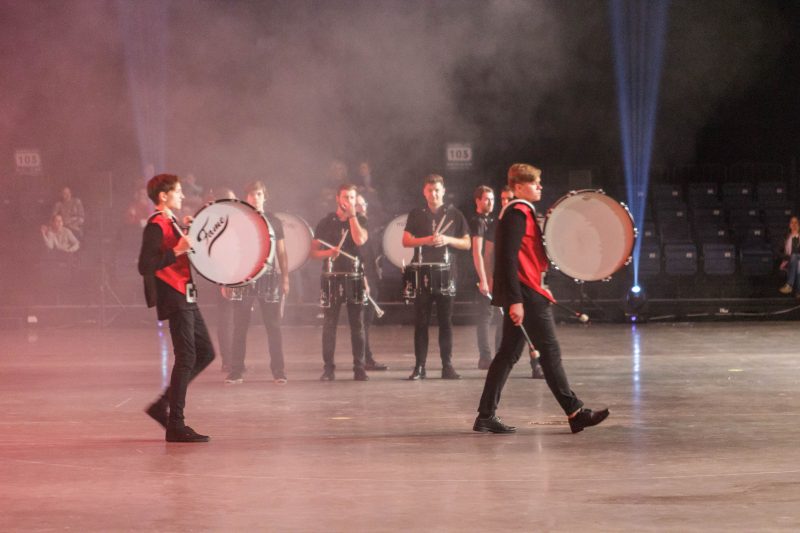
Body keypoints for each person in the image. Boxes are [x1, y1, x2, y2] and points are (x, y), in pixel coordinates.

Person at [474, 163, 609, 435]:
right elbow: (507, 259)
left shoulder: (522, 212)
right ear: (519, 187)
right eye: (534, 183)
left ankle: (485, 416)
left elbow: (526, 257)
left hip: (528, 291)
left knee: (507, 355)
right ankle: (575, 413)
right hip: (525, 295)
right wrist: (515, 300)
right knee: (550, 353)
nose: (540, 187)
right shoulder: (516, 213)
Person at [138, 174, 215, 443]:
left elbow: (181, 248)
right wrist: (178, 250)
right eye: (178, 191)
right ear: (163, 196)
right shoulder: (156, 224)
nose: (183, 195)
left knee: (205, 353)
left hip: (185, 294)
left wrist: (190, 231)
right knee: (187, 357)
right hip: (174, 295)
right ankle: (175, 425)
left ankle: (163, 405)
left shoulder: (171, 221)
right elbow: (145, 265)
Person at [402, 174, 470, 380]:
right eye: (430, 190)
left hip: (446, 272)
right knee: (421, 321)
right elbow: (406, 241)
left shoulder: (454, 214)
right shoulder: (416, 214)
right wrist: (427, 240)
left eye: (437, 190)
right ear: (424, 192)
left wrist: (447, 239)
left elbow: (467, 243)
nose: (434, 194)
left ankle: (447, 366)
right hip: (422, 273)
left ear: (443, 191)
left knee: (445, 322)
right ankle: (419, 367)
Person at [224, 181, 289, 384]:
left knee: (273, 326)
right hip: (243, 277)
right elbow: (231, 251)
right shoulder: (239, 221)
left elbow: (281, 252)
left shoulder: (274, 221)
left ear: (264, 196)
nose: (256, 198)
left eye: (259, 194)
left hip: (268, 277)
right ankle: (236, 370)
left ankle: (279, 371)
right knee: (240, 326)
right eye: (252, 195)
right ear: (247, 198)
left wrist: (285, 277)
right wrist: (226, 280)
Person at [311, 183, 370, 381]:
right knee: (329, 324)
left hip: (355, 276)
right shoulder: (326, 222)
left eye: (352, 197)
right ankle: (328, 369)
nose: (349, 201)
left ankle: (359, 368)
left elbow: (360, 240)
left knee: (357, 324)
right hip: (332, 276)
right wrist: (329, 253)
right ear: (338, 198)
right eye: (345, 197)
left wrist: (352, 217)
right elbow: (313, 252)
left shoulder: (361, 219)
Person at [356, 193, 388, 371]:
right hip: (361, 277)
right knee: (362, 321)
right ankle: (364, 358)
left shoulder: (369, 225)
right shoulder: (355, 228)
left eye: (363, 204)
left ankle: (364, 357)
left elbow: (373, 252)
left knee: (367, 321)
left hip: (372, 275)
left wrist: (378, 265)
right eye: (357, 205)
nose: (362, 207)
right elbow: (358, 256)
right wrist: (364, 279)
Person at [779, 215, 800, 296]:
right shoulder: (785, 237)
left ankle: (789, 285)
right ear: (789, 225)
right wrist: (787, 257)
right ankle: (798, 291)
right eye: (792, 222)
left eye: (796, 222)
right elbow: (779, 252)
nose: (794, 225)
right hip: (789, 262)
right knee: (796, 261)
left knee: (797, 260)